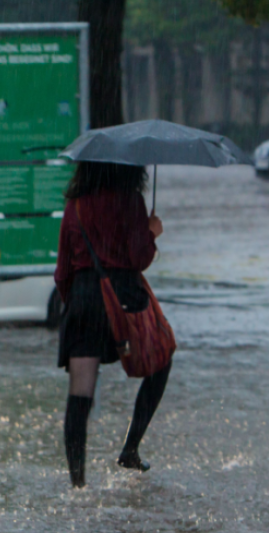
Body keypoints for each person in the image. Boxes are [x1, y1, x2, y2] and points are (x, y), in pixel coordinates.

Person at [54, 162, 171, 489]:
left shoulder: (74, 205)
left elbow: (62, 270)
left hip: (83, 301)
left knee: (80, 392)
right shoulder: (130, 200)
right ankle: (130, 448)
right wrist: (152, 232)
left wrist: (77, 302)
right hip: (123, 298)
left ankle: (77, 484)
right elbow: (138, 257)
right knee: (161, 359)